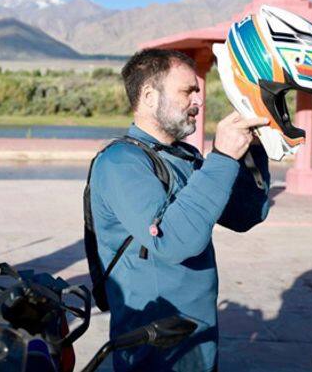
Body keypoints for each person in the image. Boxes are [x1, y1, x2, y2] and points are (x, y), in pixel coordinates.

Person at [89, 49, 270, 371]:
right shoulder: (120, 163)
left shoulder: (185, 156)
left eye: (197, 92)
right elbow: (174, 241)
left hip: (199, 336)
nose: (197, 102)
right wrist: (223, 158)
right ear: (148, 96)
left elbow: (244, 216)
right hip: (153, 344)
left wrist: (252, 151)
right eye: (187, 91)